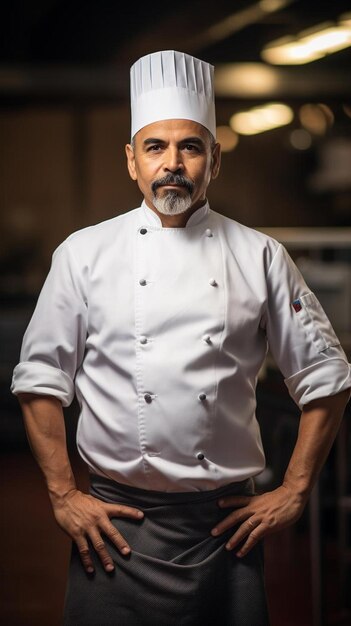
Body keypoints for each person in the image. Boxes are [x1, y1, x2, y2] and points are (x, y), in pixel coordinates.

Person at [11, 50, 351, 626]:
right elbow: (41, 379)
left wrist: (294, 491)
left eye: (190, 147)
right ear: (131, 161)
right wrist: (64, 494)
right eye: (155, 147)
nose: (173, 163)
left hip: (225, 527)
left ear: (214, 160)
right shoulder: (84, 254)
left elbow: (327, 379)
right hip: (114, 527)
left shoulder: (259, 255)